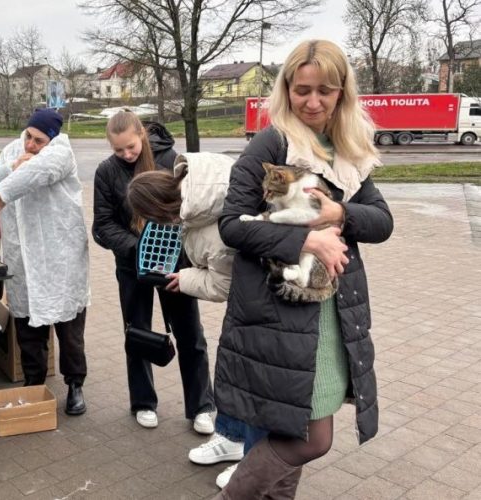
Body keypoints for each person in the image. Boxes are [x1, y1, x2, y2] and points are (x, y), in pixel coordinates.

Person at [212, 39, 393, 499]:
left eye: (325, 91)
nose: (312, 102)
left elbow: (383, 222)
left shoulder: (348, 152)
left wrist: (341, 215)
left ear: (342, 93)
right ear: (287, 88)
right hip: (280, 311)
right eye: (302, 89)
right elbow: (231, 224)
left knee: (296, 432)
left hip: (333, 314)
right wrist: (304, 239)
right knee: (312, 437)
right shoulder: (273, 142)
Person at [92, 110, 216, 433]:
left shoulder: (170, 160)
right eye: (118, 150)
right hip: (132, 266)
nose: (126, 155)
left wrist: (169, 245)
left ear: (141, 135)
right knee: (137, 332)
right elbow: (102, 224)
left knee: (190, 334)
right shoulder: (106, 172)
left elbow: (188, 207)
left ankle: (201, 406)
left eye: (130, 147)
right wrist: (138, 246)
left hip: (175, 264)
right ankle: (143, 402)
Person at [126, 153, 246, 484]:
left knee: (241, 372)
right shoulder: (199, 170)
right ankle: (232, 437)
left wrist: (186, 279)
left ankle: (249, 456)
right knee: (233, 367)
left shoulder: (206, 232)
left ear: (158, 210)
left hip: (261, 302)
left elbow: (223, 284)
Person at [0, 108, 90, 415]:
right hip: (23, 254)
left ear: (52, 139)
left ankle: (75, 384)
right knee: (27, 325)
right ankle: (33, 380)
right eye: (28, 136)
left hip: (59, 254)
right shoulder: (15, 149)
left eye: (38, 140)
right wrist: (11, 168)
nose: (30, 144)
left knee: (69, 327)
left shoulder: (61, 153)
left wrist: (5, 191)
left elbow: (39, 172)